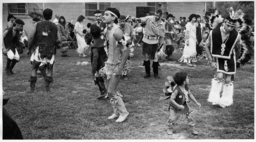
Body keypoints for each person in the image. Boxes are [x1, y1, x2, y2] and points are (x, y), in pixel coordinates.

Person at [204, 12, 242, 108]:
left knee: (228, 80)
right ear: (224, 22)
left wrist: (236, 60)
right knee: (220, 76)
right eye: (228, 25)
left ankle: (225, 101)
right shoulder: (214, 32)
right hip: (218, 57)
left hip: (230, 58)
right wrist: (211, 61)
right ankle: (215, 98)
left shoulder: (236, 35)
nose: (229, 28)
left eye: (232, 27)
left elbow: (238, 48)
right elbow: (206, 46)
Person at [101, 7, 130, 122]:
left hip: (117, 65)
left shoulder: (117, 31)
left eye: (107, 14)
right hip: (109, 64)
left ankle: (124, 112)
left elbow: (126, 49)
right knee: (110, 91)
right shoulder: (107, 29)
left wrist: (120, 67)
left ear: (114, 17)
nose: (104, 16)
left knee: (111, 91)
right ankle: (116, 112)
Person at [27, 8, 59, 92]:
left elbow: (30, 37)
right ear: (51, 16)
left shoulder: (37, 24)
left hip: (39, 49)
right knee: (49, 68)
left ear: (43, 15)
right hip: (50, 50)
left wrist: (29, 47)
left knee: (34, 67)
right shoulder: (55, 26)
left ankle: (32, 88)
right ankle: (47, 87)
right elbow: (58, 40)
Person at [138, 10, 165, 78]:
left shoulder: (162, 23)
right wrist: (135, 19)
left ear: (161, 16)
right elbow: (141, 19)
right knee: (146, 57)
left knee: (155, 57)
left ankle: (156, 73)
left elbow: (162, 35)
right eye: (155, 14)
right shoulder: (149, 18)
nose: (156, 16)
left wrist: (161, 44)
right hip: (146, 40)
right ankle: (148, 73)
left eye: (158, 15)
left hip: (155, 42)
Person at [90, 24, 108, 99]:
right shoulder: (102, 41)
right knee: (105, 78)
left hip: (100, 66)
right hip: (106, 62)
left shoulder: (95, 48)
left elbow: (95, 58)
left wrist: (93, 71)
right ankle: (107, 91)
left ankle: (104, 92)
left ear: (91, 34)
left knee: (98, 78)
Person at [119, 15, 134, 80]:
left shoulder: (129, 26)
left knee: (126, 59)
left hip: (127, 45)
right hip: (118, 46)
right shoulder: (115, 26)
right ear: (119, 21)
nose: (122, 23)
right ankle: (118, 73)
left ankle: (125, 74)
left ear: (125, 21)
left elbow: (132, 34)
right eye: (121, 21)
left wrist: (131, 40)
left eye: (123, 21)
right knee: (118, 59)